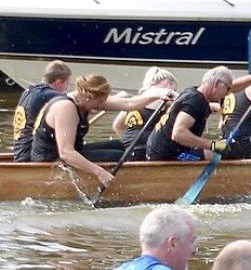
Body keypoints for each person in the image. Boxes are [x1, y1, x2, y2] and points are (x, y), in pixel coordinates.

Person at [33, 75, 171, 189]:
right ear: (88, 97)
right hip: (53, 159)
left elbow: (129, 105)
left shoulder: (87, 100)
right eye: (100, 102)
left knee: (123, 146)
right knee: (121, 156)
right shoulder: (65, 107)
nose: (101, 106)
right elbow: (66, 152)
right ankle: (132, 188)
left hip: (73, 152)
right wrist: (99, 172)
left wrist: (158, 95)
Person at [145, 65, 251, 162]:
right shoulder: (194, 101)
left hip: (165, 149)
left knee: (228, 148)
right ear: (216, 84)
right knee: (225, 153)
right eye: (227, 89)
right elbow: (178, 134)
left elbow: (234, 86)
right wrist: (213, 145)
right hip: (166, 155)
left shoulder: (197, 93)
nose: (228, 93)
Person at [10, 60, 71, 162]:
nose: (66, 88)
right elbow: (74, 101)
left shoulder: (28, 91)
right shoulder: (49, 95)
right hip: (31, 154)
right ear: (58, 82)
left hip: (19, 152)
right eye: (66, 84)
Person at [112, 67, 177, 155]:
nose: (174, 91)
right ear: (167, 83)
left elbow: (117, 126)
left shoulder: (135, 100)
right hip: (146, 148)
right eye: (174, 89)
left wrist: (129, 142)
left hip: (128, 147)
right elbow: (183, 103)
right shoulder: (164, 94)